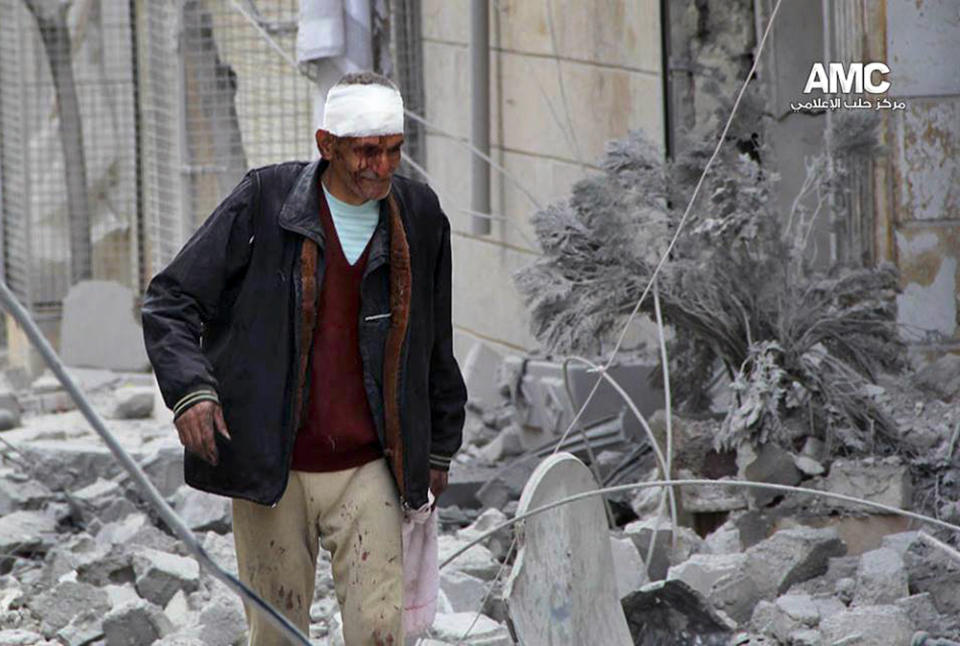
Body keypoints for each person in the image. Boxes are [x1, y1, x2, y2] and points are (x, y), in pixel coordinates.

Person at [141, 71, 467, 645]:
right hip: (275, 463)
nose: (384, 167)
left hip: (371, 466)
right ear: (327, 145)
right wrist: (192, 391)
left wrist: (438, 446)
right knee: (277, 632)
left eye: (394, 151)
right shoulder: (265, 201)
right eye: (368, 152)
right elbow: (171, 300)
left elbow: (435, 339)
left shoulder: (418, 215)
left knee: (380, 631)